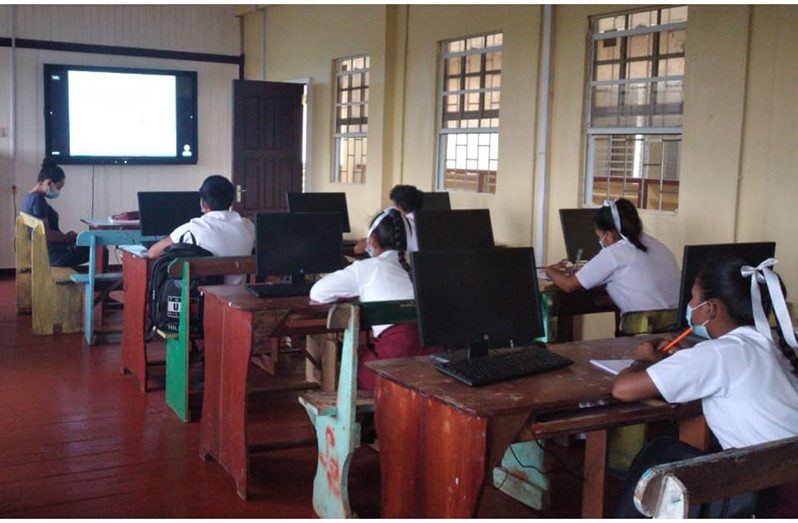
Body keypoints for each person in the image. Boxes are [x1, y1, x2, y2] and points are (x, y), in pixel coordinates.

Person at [611, 256, 798, 517]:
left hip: (773, 495)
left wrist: (644, 360)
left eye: (692, 297)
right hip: (784, 476)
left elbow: (623, 389)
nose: (689, 305)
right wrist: (686, 360)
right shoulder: (776, 341)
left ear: (710, 309)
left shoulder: (719, 354)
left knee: (660, 453)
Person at [310, 208, 432, 390]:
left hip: (392, 366)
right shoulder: (423, 266)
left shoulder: (366, 269)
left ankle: (332, 398)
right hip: (430, 362)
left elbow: (317, 292)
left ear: (372, 240)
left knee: (347, 354)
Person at [544, 198, 680, 316]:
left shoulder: (615, 253)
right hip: (676, 324)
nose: (600, 241)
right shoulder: (654, 243)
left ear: (608, 235)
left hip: (644, 329)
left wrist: (549, 271)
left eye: (599, 237)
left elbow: (568, 285)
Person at [147, 175, 255, 284]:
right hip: (240, 297)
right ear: (231, 201)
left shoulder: (191, 229)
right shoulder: (248, 226)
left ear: (203, 203)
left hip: (206, 299)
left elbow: (153, 253)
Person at [22, 158, 91, 268]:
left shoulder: (28, 197)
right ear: (49, 183)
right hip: (54, 255)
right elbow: (45, 234)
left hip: (44, 252)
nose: (58, 192)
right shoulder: (38, 201)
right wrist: (67, 237)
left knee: (88, 243)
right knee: (99, 248)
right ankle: (100, 283)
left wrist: (67, 237)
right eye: (58, 188)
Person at [354, 184, 423, 255]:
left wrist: (367, 241)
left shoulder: (395, 222)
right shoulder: (427, 224)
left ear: (398, 207)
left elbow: (358, 249)